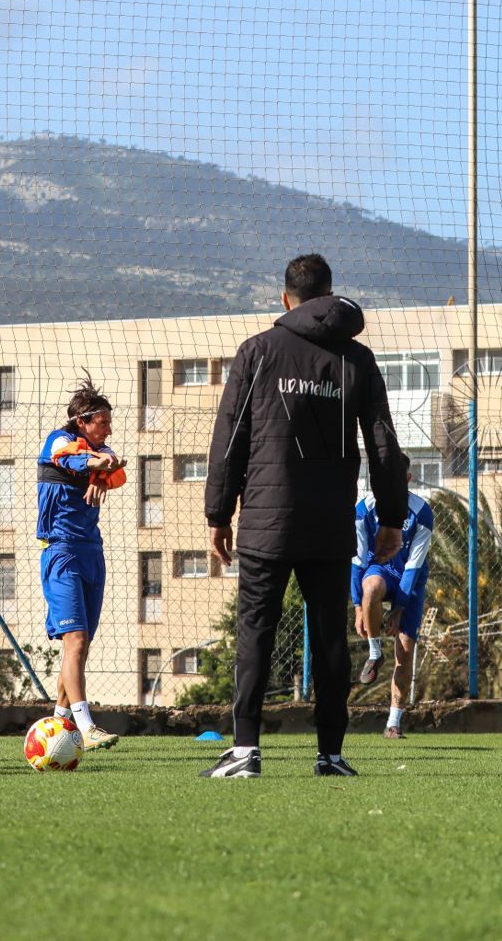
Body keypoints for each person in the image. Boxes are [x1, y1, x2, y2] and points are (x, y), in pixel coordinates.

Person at [201, 254, 407, 778]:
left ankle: (245, 752)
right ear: (330, 294)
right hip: (330, 524)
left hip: (267, 522)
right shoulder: (357, 360)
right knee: (331, 639)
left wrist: (218, 513)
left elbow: (230, 438)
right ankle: (331, 755)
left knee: (255, 633)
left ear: (284, 298)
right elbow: (383, 444)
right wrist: (390, 517)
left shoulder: (258, 351)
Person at [36, 376, 127, 752]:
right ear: (82, 422)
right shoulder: (58, 440)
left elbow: (119, 472)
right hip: (61, 552)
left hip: (92, 553)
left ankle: (58, 726)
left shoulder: (99, 453)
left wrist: (104, 472)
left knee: (81, 644)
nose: (108, 428)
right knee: (73, 640)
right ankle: (87, 727)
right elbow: (68, 456)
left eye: (109, 421)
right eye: (102, 421)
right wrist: (98, 464)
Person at [352, 455, 435, 739]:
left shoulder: (422, 513)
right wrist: (357, 607)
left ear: (408, 480)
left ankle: (393, 722)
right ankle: (375, 653)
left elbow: (413, 566)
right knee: (370, 588)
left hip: (409, 581)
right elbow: (358, 559)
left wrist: (398, 609)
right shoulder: (364, 509)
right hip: (381, 571)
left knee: (405, 652)